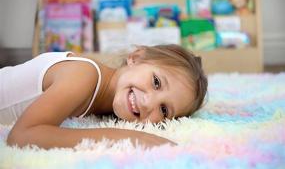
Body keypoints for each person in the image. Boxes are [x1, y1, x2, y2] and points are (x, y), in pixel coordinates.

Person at [0, 44, 208, 149]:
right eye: (156, 82)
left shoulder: (105, 105)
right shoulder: (84, 74)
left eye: (164, 110)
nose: (148, 103)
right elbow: (21, 136)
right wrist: (131, 138)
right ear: (136, 58)